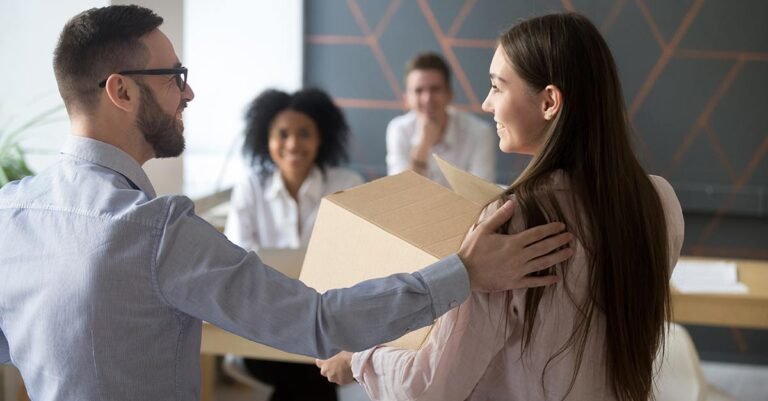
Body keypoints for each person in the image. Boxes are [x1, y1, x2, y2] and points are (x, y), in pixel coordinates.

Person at [0, 6, 575, 401]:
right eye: (175, 75)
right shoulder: (154, 230)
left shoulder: (10, 211)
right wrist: (465, 272)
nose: (189, 92)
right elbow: (318, 322)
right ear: (121, 90)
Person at [317, 12, 685, 401]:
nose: (486, 103)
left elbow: (430, 389)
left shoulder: (510, 221)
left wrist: (357, 357)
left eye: (497, 86)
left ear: (549, 102)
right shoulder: (660, 201)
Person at [224, 88, 364, 401]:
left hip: (328, 321)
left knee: (308, 373)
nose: (292, 144)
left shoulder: (347, 185)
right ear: (266, 139)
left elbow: (357, 262)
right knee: (313, 377)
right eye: (282, 134)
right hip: (265, 323)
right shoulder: (250, 188)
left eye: (304, 133)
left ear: (321, 138)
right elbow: (237, 258)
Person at [386, 52, 497, 186]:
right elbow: (399, 191)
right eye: (419, 91)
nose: (427, 99)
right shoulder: (398, 129)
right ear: (407, 98)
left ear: (449, 94)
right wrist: (423, 145)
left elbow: (481, 192)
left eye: (435, 89)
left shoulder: (479, 133)